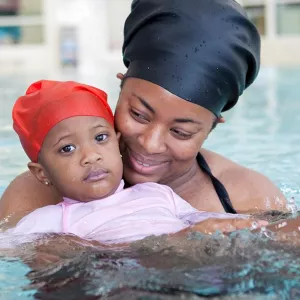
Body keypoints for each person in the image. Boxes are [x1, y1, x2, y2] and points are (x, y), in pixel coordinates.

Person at [0, 0, 289, 232]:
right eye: (138, 114)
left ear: (212, 128)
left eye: (181, 132)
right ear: (120, 84)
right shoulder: (34, 194)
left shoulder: (247, 197)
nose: (150, 144)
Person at [8, 80, 263, 244]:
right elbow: (9, 249)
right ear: (42, 174)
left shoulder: (157, 192)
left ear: (116, 143)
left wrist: (235, 224)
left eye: (100, 138)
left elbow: (197, 219)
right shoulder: (50, 219)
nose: (91, 156)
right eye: (67, 148)